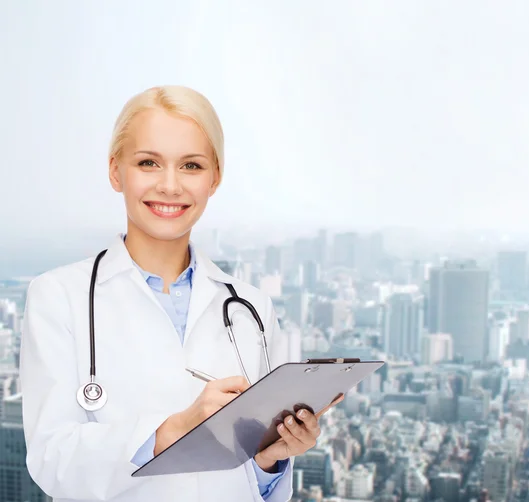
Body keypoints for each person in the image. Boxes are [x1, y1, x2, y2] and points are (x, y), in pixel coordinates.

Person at [20, 85, 343, 502]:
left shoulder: (251, 309)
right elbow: (53, 460)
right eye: (149, 162)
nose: (170, 186)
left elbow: (249, 481)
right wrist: (175, 429)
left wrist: (271, 461)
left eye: (191, 166)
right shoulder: (58, 297)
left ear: (215, 179)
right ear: (116, 171)